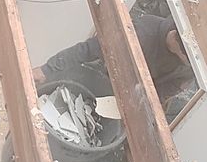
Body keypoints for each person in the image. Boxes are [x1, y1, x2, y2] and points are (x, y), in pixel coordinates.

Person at [34, 8, 194, 104]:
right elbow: (88, 49)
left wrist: (138, 107)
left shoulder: (193, 65)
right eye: (184, 58)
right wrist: (47, 70)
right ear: (173, 37)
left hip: (133, 95)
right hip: (106, 73)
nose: (186, 64)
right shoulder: (140, 34)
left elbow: (165, 91)